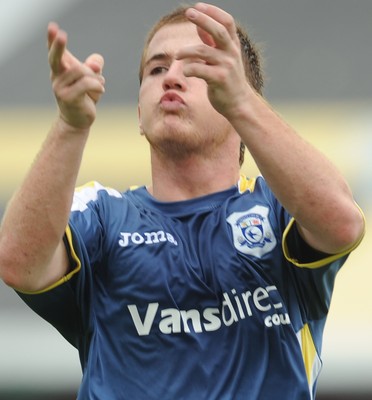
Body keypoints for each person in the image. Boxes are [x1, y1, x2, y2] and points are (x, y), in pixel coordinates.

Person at [0, 2, 365, 399]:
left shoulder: (279, 210)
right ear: (140, 114)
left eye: (197, 68)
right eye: (156, 69)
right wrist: (70, 126)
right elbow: (18, 263)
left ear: (237, 100)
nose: (172, 77)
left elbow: (342, 223)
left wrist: (243, 102)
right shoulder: (101, 216)